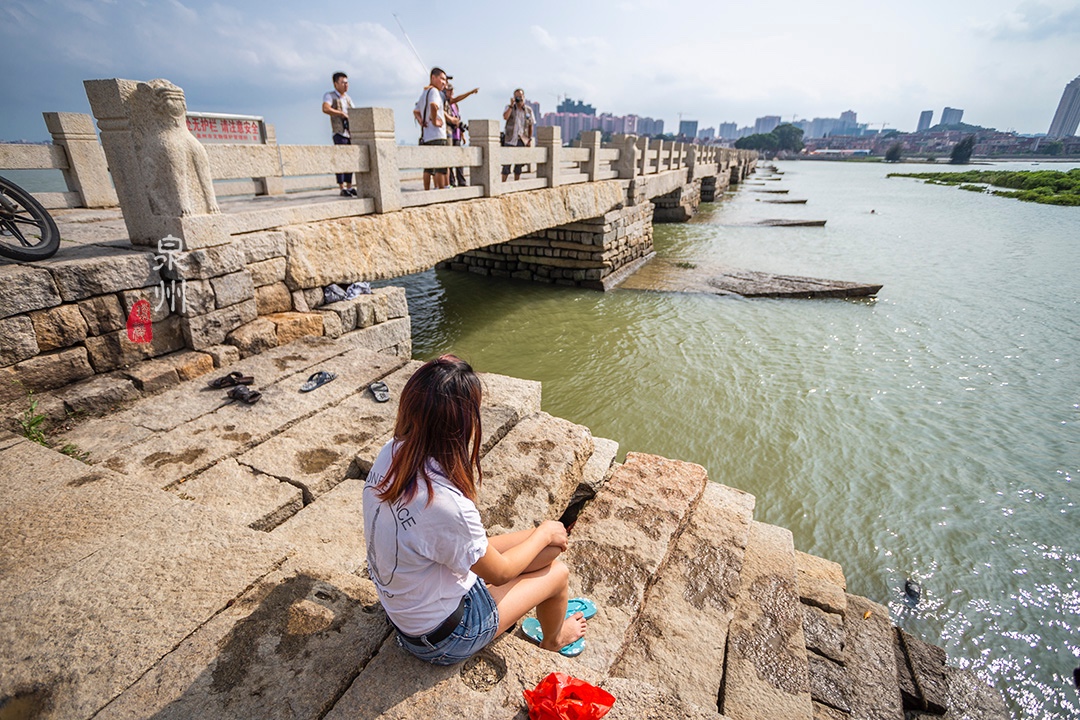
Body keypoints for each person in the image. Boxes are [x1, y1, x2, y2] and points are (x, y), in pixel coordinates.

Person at [362, 355, 588, 666]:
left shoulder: (390, 453)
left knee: (549, 547)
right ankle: (554, 640)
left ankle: (532, 581)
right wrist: (544, 532)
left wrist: (544, 537)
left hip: (412, 606)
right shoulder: (445, 504)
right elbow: (500, 573)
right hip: (443, 638)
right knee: (558, 573)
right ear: (463, 425)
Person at [413, 67, 450, 190]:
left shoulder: (425, 92)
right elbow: (433, 105)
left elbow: (416, 111)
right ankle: (441, 191)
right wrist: (434, 121)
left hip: (427, 136)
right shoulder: (434, 91)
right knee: (440, 166)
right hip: (437, 134)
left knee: (428, 167)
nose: (444, 82)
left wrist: (421, 121)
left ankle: (427, 191)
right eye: (442, 79)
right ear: (433, 78)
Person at [321, 72, 355, 197]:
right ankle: (342, 187)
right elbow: (325, 108)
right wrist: (340, 113)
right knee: (340, 159)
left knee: (350, 160)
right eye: (343, 83)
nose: (346, 85)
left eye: (347, 82)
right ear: (336, 84)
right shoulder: (329, 96)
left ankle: (349, 186)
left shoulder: (348, 98)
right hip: (339, 132)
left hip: (350, 133)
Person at [444, 81, 478, 187]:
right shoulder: (445, 103)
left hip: (457, 135)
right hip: (449, 135)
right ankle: (452, 182)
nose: (451, 92)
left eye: (452, 90)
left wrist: (462, 135)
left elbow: (458, 120)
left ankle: (461, 181)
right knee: (450, 160)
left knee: (459, 160)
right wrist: (470, 92)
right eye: (449, 90)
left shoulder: (455, 106)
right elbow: (458, 98)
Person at [502, 88, 535, 181]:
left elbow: (531, 125)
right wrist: (511, 105)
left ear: (524, 97)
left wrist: (529, 139)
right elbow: (505, 117)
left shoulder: (528, 110)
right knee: (506, 165)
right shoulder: (509, 107)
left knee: (519, 165)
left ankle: (516, 183)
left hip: (522, 139)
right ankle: (503, 183)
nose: (518, 99)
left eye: (520, 97)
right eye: (516, 97)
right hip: (510, 139)